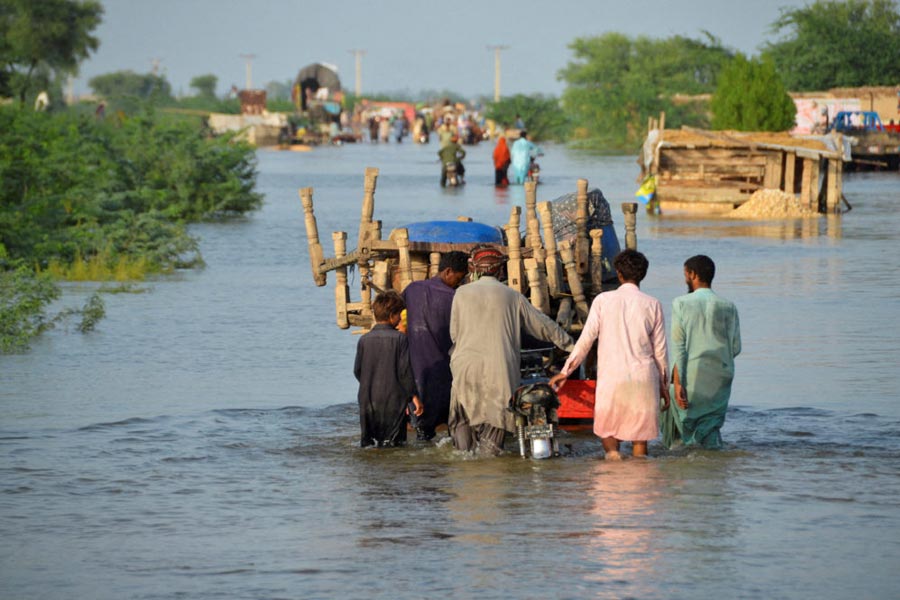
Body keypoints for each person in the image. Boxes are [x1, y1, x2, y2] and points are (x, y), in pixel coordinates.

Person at [448, 247, 574, 456]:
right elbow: (544, 326)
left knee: (463, 419)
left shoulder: (461, 293)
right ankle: (491, 468)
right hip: (500, 370)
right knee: (495, 426)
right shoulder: (512, 296)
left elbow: (454, 334)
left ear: (476, 270)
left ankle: (464, 461)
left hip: (465, 368)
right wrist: (571, 345)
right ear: (500, 271)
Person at [550, 249, 670, 459]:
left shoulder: (603, 301)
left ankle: (612, 470)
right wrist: (663, 386)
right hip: (643, 378)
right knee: (640, 443)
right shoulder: (653, 304)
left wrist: (566, 371)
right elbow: (660, 353)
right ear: (643, 274)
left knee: (608, 434)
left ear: (618, 273)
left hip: (612, 379)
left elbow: (586, 340)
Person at [661, 255, 741, 450]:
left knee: (681, 421)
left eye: (685, 274)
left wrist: (679, 383)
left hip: (692, 374)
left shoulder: (681, 303)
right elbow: (736, 348)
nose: (685, 279)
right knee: (711, 427)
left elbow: (679, 346)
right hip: (721, 375)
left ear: (692, 274)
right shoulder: (728, 306)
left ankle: (686, 465)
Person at [402, 251, 469, 441]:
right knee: (452, 426)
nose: (460, 281)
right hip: (443, 370)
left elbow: (399, 314)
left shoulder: (413, 289)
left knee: (423, 429)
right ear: (448, 272)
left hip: (416, 371)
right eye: (460, 277)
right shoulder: (455, 298)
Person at [353, 291, 423, 447]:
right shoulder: (400, 339)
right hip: (393, 401)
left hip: (367, 400)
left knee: (369, 445)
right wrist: (413, 397)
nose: (399, 319)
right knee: (394, 446)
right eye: (399, 315)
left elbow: (357, 371)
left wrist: (370, 384)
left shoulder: (364, 340)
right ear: (392, 315)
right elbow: (404, 372)